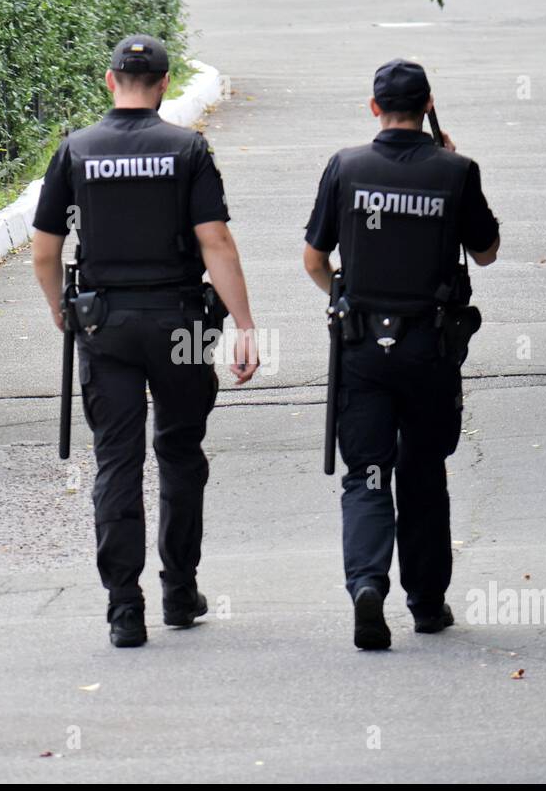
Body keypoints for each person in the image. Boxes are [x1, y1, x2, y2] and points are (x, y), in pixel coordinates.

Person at [32, 34, 259, 648]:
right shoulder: (187, 149)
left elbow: (45, 250)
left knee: (117, 461)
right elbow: (216, 243)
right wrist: (243, 325)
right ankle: (180, 593)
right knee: (181, 455)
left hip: (106, 327)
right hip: (181, 324)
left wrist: (61, 311)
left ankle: (124, 609)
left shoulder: (75, 151)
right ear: (162, 85)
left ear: (110, 81)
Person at [302, 59, 500, 650]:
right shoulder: (457, 170)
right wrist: (452, 165)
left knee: (366, 473)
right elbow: (485, 253)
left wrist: (347, 295)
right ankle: (427, 601)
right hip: (430, 348)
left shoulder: (345, 167)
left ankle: (367, 585)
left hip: (361, 345)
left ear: (374, 108)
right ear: (428, 105)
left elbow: (314, 261)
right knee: (422, 470)